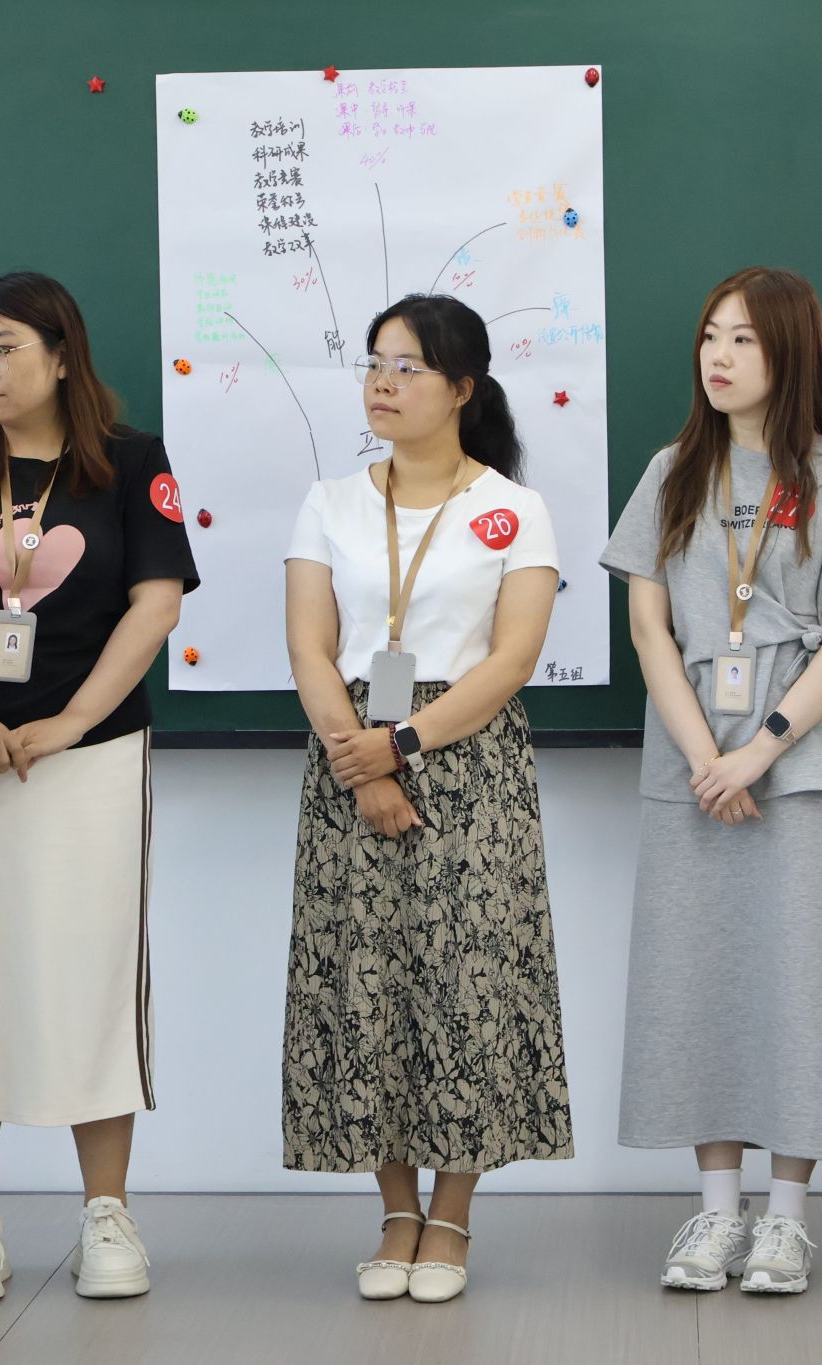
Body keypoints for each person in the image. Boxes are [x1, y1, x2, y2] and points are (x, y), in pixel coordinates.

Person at [0, 271, 198, 1303]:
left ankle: (107, 1214)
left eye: (5, 347)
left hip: (89, 760)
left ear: (61, 355)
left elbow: (155, 608)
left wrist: (69, 723)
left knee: (89, 973)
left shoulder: (131, 464)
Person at [601, 267, 822, 1296]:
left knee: (800, 984)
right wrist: (706, 756)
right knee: (697, 981)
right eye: (709, 336)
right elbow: (649, 626)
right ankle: (715, 1211)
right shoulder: (671, 470)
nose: (719, 356)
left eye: (742, 338)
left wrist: (760, 748)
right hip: (692, 760)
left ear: (789, 350)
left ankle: (786, 1220)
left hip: (804, 760)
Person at [282, 293, 572, 1305]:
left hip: (467, 762)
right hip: (348, 760)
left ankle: (451, 1214)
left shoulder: (513, 507)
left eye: (407, 367)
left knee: (464, 986)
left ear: (461, 389)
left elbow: (512, 658)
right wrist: (363, 765)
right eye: (375, 363)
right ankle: (394, 1211)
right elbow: (310, 647)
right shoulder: (329, 501)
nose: (383, 382)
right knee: (367, 984)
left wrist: (401, 745)